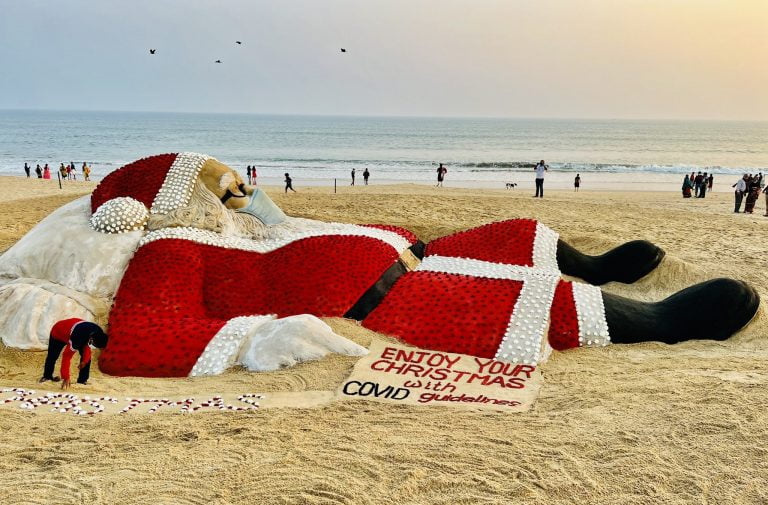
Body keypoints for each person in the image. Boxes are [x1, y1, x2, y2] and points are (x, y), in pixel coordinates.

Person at [39, 318, 108, 389]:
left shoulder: (98, 331)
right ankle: (47, 376)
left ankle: (82, 380)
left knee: (87, 359)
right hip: (58, 332)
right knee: (52, 356)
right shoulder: (77, 337)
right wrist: (65, 377)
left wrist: (85, 361)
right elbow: (66, 356)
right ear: (91, 339)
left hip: (77, 329)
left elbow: (87, 347)